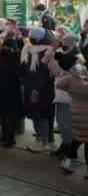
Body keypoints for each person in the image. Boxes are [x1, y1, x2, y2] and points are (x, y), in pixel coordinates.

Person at [21, 28, 56, 152]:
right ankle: (39, 140)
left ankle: (44, 142)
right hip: (31, 87)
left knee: (42, 115)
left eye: (34, 36)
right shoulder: (29, 50)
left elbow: (45, 73)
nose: (32, 38)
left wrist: (37, 89)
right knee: (35, 115)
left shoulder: (48, 52)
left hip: (43, 89)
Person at [54, 48, 88, 178]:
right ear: (71, 66)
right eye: (76, 63)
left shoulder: (70, 78)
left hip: (78, 112)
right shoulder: (75, 81)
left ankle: (67, 163)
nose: (79, 64)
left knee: (79, 138)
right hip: (84, 113)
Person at [0, 38, 23, 148]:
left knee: (9, 115)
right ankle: (5, 136)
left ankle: (9, 138)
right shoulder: (5, 56)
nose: (6, 49)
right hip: (5, 89)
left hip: (9, 90)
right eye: (5, 47)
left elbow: (12, 72)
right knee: (4, 114)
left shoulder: (12, 57)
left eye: (7, 47)